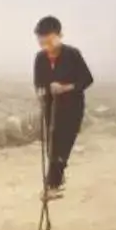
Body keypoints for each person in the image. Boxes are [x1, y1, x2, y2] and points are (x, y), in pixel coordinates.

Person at [31, 16, 95, 199]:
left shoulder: (72, 54)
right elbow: (39, 83)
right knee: (52, 145)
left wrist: (65, 88)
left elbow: (87, 80)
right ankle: (53, 183)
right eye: (42, 42)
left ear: (60, 35)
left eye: (50, 41)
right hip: (50, 106)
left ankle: (52, 185)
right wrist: (42, 93)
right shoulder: (40, 58)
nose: (46, 47)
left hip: (72, 106)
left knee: (63, 145)